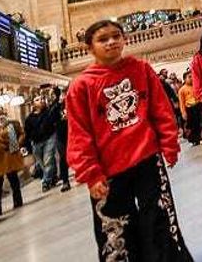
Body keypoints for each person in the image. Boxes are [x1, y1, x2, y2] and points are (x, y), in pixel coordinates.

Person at [65, 20, 192, 261]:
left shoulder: (141, 70)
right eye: (103, 39)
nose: (111, 41)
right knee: (115, 229)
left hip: (147, 159)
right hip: (107, 171)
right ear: (90, 48)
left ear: (125, 40)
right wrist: (91, 174)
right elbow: (79, 134)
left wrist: (169, 145)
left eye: (116, 36)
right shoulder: (81, 86)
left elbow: (161, 110)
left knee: (158, 217)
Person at [0, 108, 24, 219]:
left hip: (9, 157)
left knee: (13, 180)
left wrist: (18, 144)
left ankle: (18, 200)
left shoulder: (10, 125)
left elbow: (20, 134)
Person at [23, 94, 59, 191]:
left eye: (42, 98)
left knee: (48, 159)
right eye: (38, 99)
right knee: (42, 162)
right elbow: (27, 133)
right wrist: (26, 147)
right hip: (36, 142)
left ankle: (45, 182)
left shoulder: (48, 112)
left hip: (49, 138)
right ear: (33, 104)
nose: (41, 100)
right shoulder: (29, 119)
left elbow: (54, 120)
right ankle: (53, 176)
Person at [177, 72, 202, 146]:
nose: (191, 78)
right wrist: (183, 112)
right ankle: (194, 140)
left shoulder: (196, 86)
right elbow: (181, 102)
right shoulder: (181, 90)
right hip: (189, 108)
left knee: (200, 122)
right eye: (189, 77)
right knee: (191, 125)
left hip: (198, 106)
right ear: (185, 79)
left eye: (192, 76)